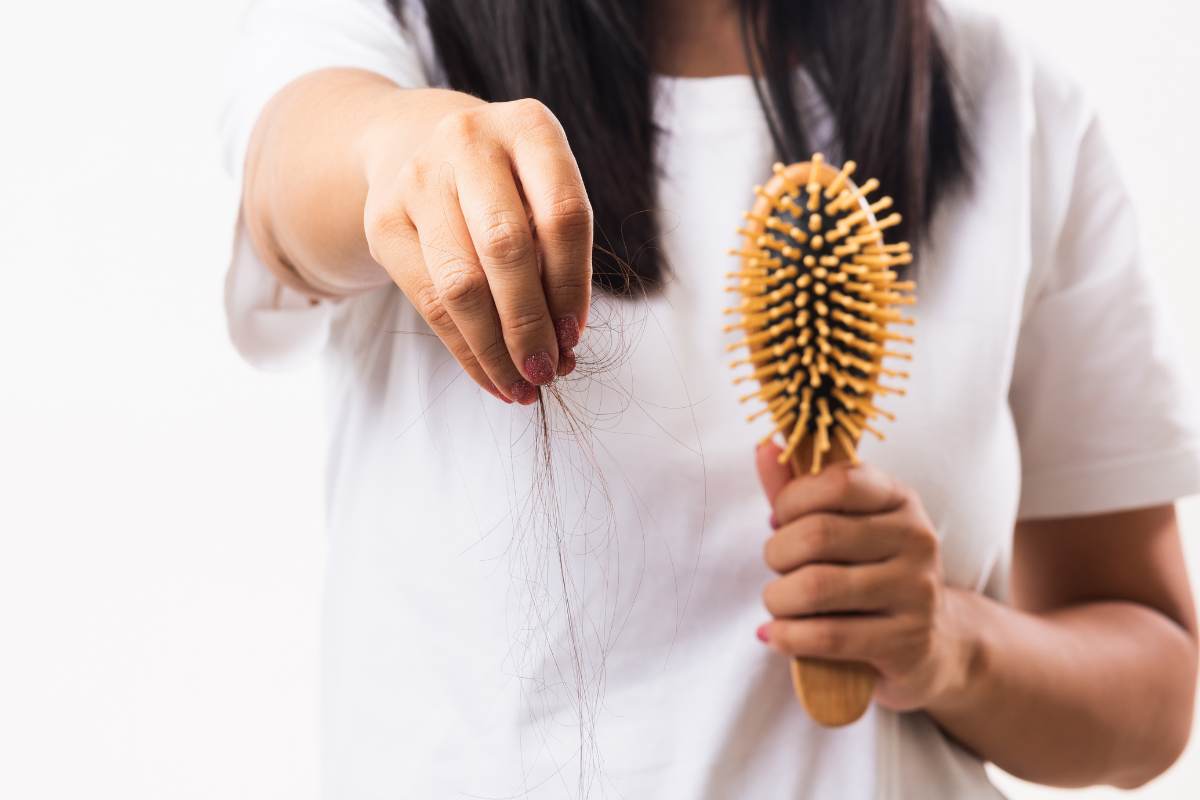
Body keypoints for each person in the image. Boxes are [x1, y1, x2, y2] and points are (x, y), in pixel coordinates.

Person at [221, 1, 1200, 797]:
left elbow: (1152, 695)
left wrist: (952, 644)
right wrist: (405, 143)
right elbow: (291, 175)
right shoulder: (392, 35)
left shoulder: (1008, 100)